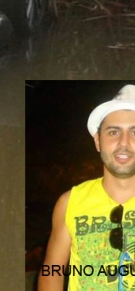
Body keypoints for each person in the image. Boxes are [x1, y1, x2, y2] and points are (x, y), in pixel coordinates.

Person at [39, 85, 135, 291]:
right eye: (113, 132)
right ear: (98, 141)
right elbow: (52, 272)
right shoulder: (70, 202)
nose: (124, 143)